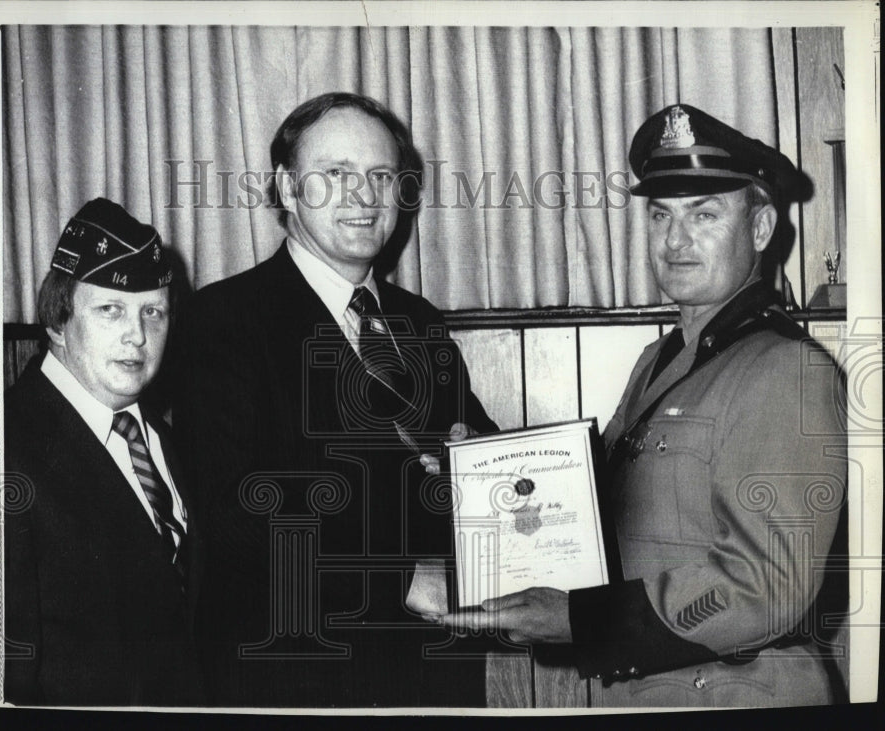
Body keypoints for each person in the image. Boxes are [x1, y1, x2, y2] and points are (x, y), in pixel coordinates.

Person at [440, 104, 848, 707]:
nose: (676, 240)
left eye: (704, 215)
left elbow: (769, 587)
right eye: (661, 215)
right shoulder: (660, 360)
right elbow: (613, 517)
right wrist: (488, 478)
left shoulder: (787, 368)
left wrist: (585, 620)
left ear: (760, 231)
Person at [172, 92, 497, 707]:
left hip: (429, 673)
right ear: (288, 188)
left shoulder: (419, 322)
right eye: (336, 175)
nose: (363, 196)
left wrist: (479, 457)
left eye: (381, 176)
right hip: (291, 674)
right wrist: (398, 579)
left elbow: (473, 450)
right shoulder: (223, 319)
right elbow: (238, 509)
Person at [4, 198, 204, 706]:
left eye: (153, 312)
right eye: (111, 309)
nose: (137, 335)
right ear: (57, 320)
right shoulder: (3, 447)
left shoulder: (160, 437)